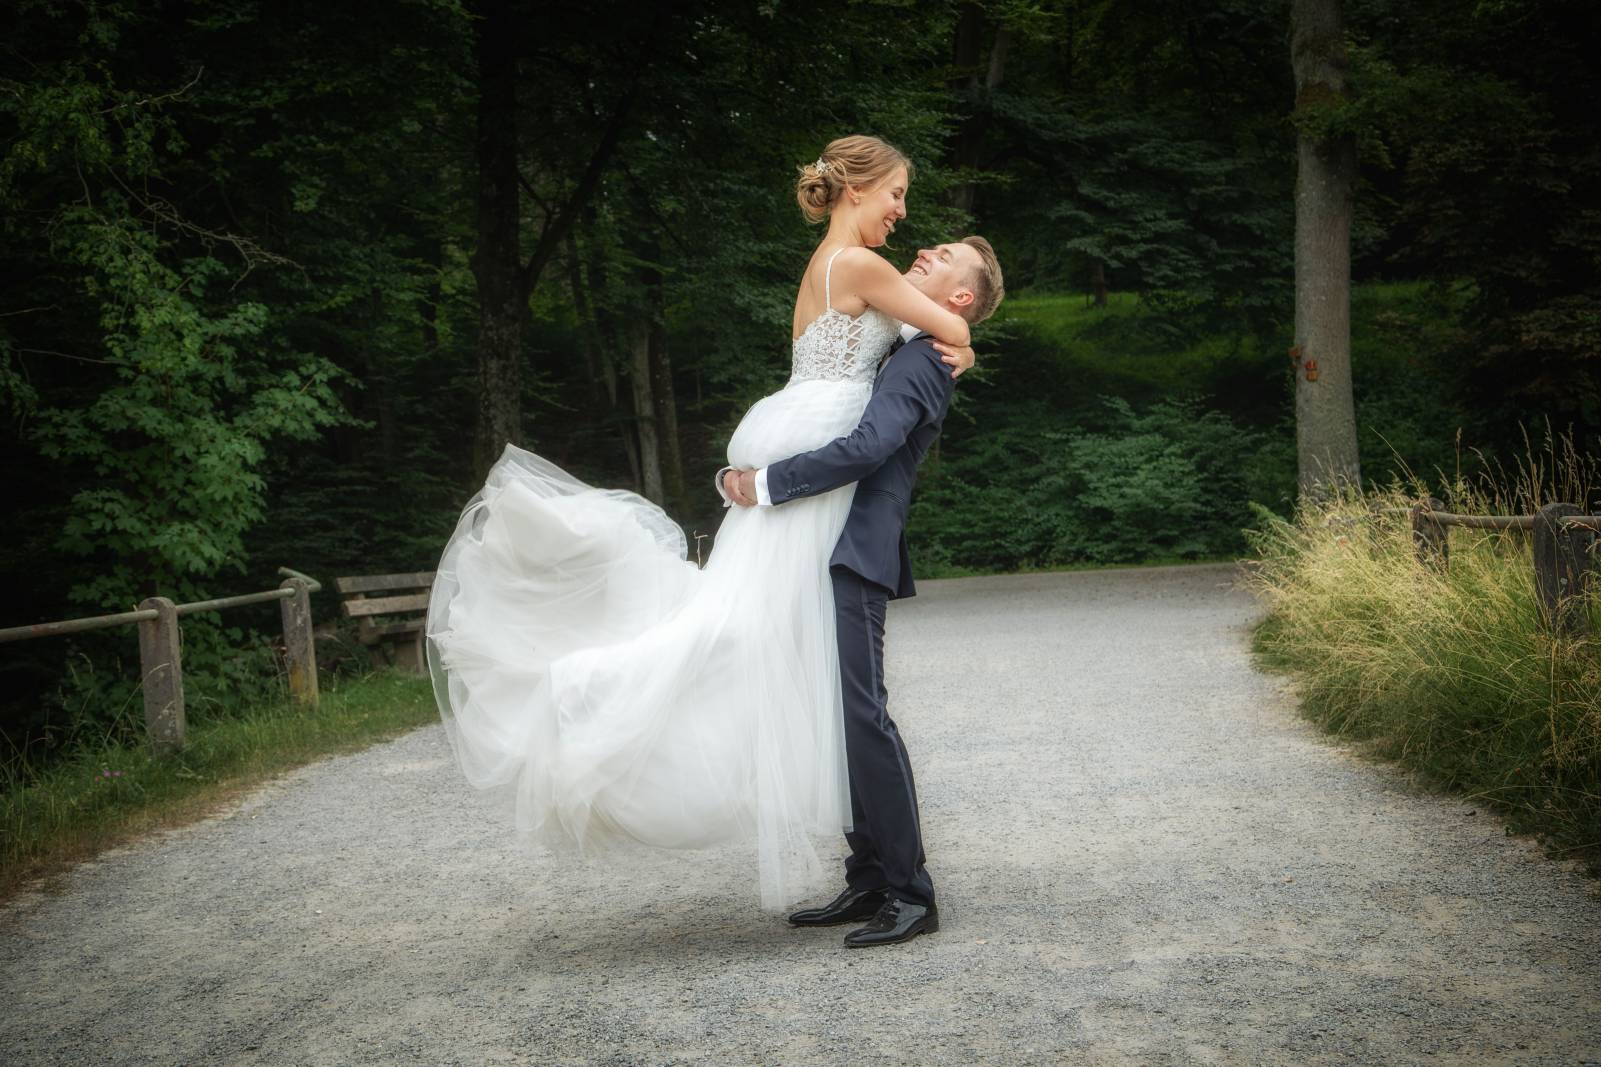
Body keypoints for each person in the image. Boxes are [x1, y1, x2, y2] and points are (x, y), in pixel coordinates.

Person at [425, 135, 978, 910]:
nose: (903, 211)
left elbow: (922, 342)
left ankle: (880, 877)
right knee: (813, 683)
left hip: (799, 485)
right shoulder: (858, 265)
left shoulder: (824, 269)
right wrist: (965, 345)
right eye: (896, 193)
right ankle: (887, 881)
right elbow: (949, 330)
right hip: (807, 494)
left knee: (795, 674)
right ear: (858, 188)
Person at [722, 236, 1005, 946]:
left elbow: (867, 447)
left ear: (960, 300)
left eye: (943, 258)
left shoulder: (920, 360)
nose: (924, 249)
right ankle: (869, 876)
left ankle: (912, 891)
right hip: (827, 543)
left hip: (856, 549)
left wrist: (764, 484)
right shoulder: (905, 344)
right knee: (835, 712)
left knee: (861, 713)